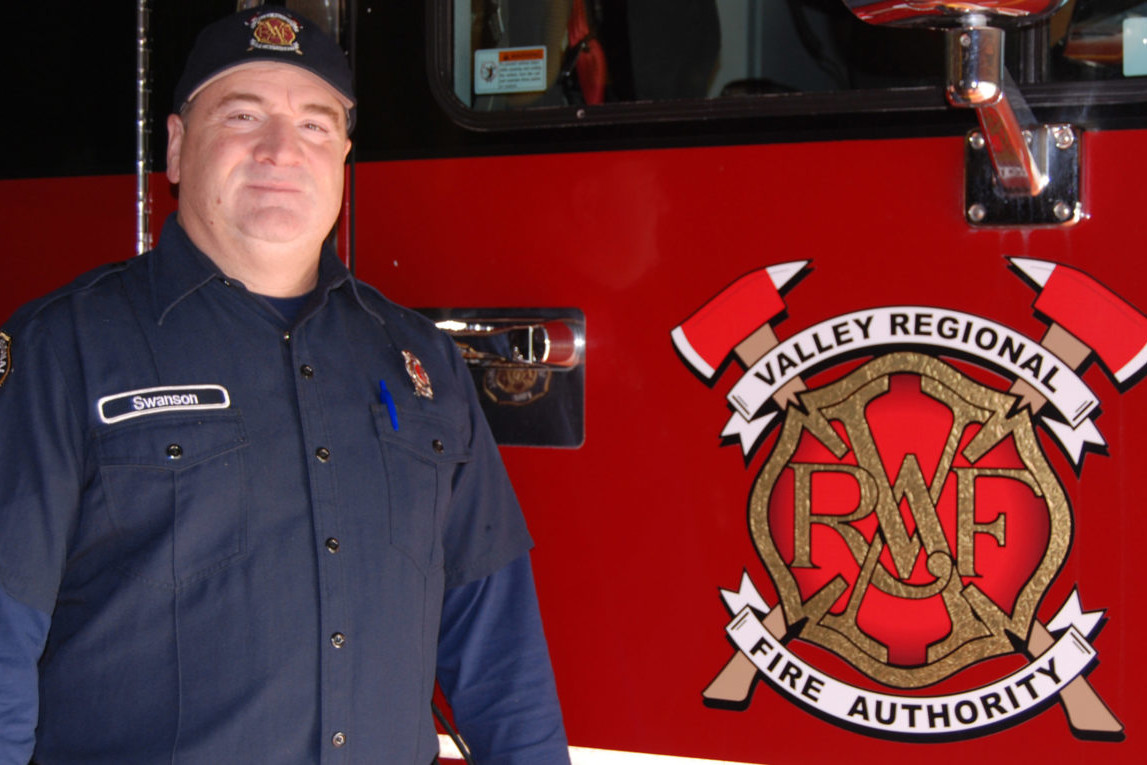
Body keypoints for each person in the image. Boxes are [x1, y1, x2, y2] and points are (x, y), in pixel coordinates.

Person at [0, 6, 569, 764]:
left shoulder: (424, 364)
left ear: (341, 156)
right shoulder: (60, 350)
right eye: (242, 115)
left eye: (314, 125)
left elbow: (499, 652)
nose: (280, 150)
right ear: (176, 146)